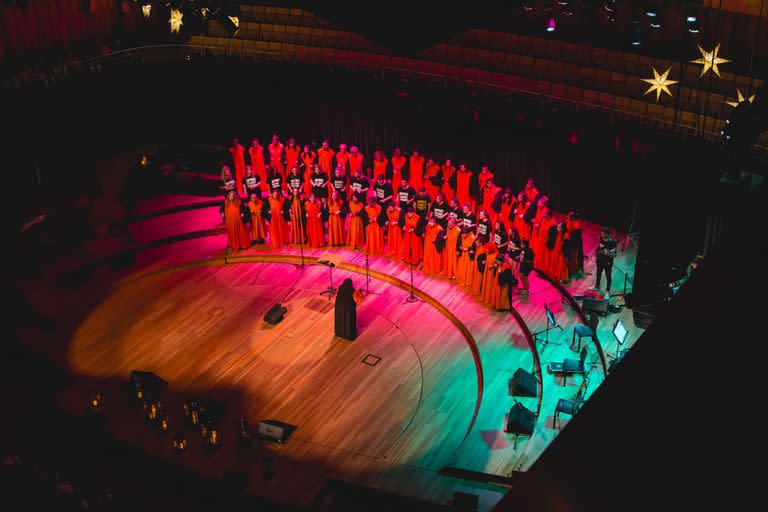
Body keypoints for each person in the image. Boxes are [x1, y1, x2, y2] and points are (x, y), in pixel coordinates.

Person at [592, 227, 617, 292]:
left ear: (607, 234)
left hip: (608, 262)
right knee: (598, 273)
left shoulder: (612, 243)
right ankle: (597, 286)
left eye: (603, 234)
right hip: (600, 260)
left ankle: (607, 292)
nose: (601, 235)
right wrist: (597, 256)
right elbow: (600, 248)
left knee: (608, 276)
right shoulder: (601, 238)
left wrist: (607, 253)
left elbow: (614, 255)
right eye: (601, 233)